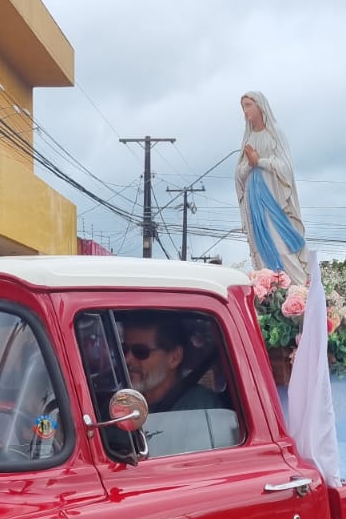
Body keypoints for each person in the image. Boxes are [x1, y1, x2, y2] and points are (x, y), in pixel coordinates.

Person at [234, 91, 308, 284]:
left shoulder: (274, 133)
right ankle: (271, 290)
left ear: (260, 105)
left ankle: (300, 289)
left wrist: (260, 161)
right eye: (243, 106)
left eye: (249, 104)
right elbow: (239, 173)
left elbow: (286, 167)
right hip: (254, 199)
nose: (245, 110)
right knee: (260, 248)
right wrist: (250, 164)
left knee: (281, 246)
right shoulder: (248, 138)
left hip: (273, 198)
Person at [120, 313, 226, 414]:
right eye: (123, 349)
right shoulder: (119, 404)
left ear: (174, 358)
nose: (126, 359)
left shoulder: (198, 407)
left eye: (140, 352)